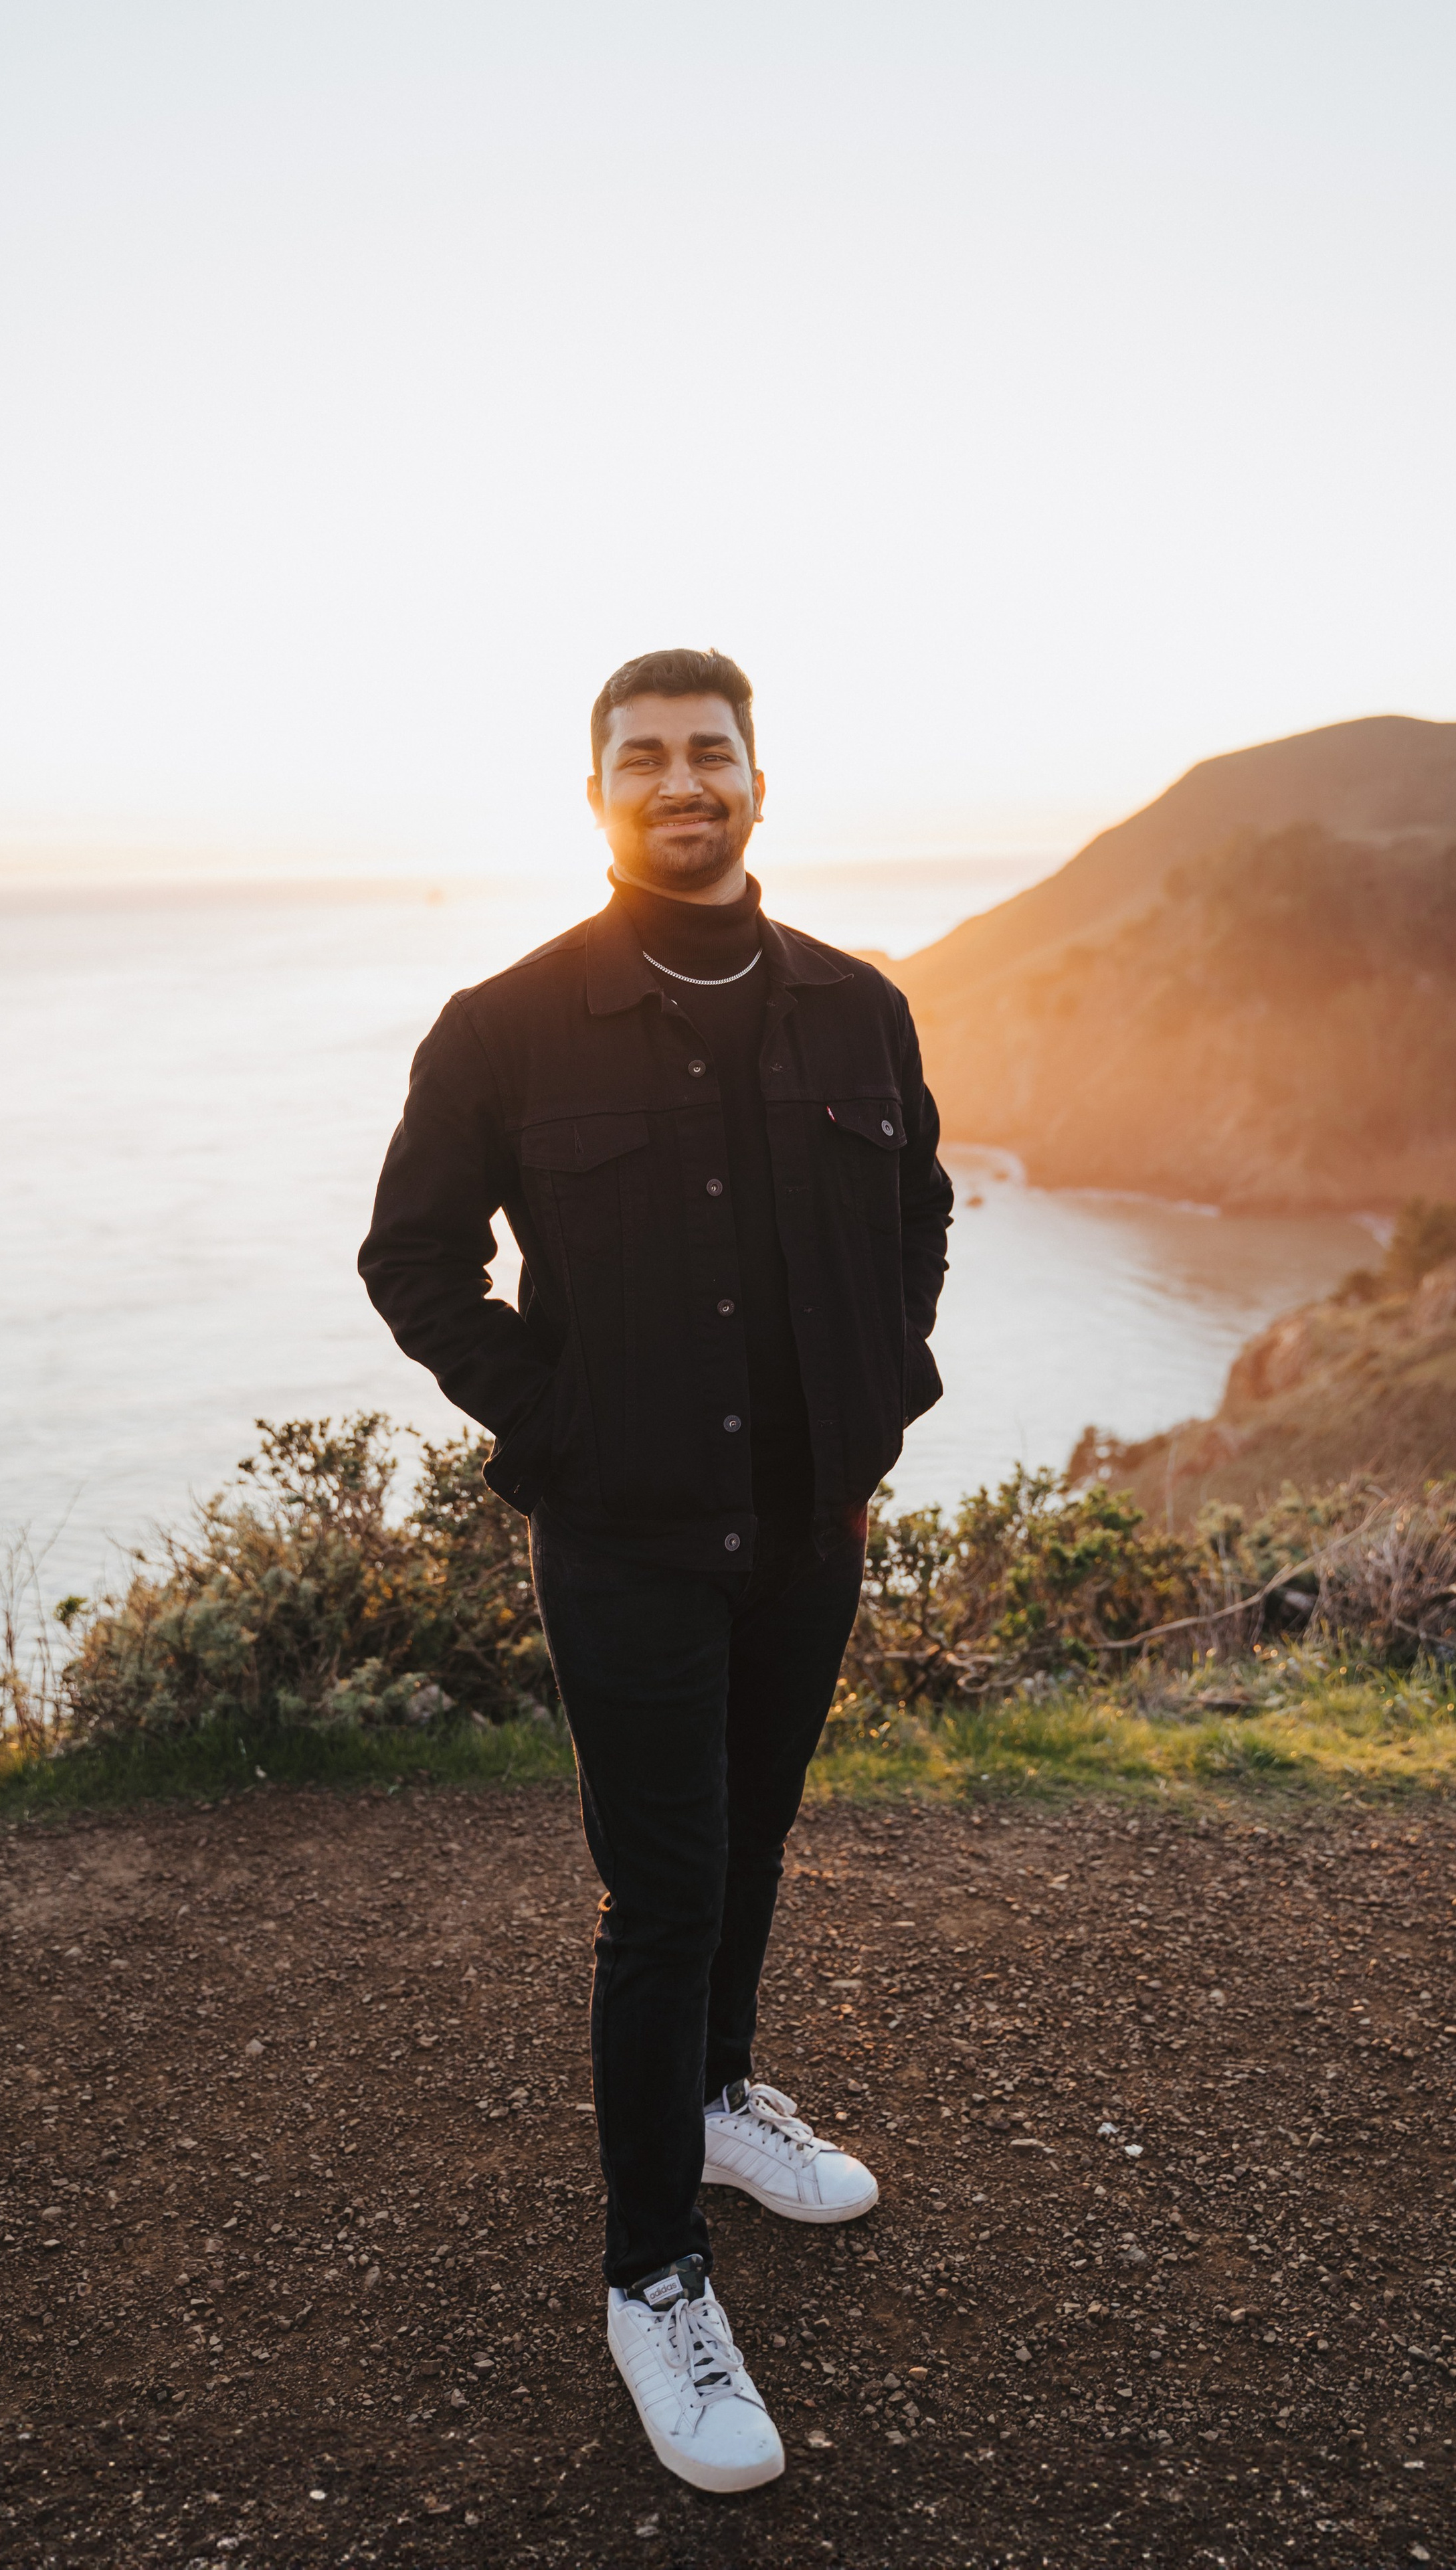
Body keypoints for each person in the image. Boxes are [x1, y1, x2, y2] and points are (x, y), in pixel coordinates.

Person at [359, 647, 952, 2492]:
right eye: (647, 758)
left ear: (760, 781)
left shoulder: (860, 1009)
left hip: (809, 1529)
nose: (684, 780)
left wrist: (887, 1393)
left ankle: (714, 2104)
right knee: (665, 1888)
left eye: (714, 751)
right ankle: (653, 2276)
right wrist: (560, 1432)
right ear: (599, 792)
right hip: (623, 1540)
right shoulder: (504, 1025)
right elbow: (416, 1261)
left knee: (752, 1836)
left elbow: (920, 1211)